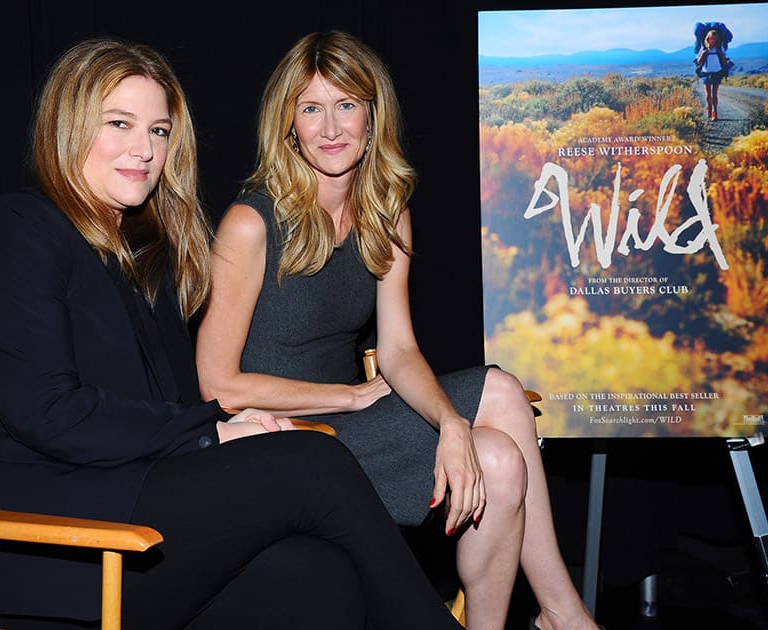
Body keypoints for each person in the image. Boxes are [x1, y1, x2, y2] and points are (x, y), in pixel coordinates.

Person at [0, 36, 466, 630]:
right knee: (309, 460)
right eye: (119, 123)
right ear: (68, 126)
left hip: (108, 512)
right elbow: (51, 414)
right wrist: (211, 436)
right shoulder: (14, 230)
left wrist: (228, 427)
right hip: (21, 551)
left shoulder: (132, 256)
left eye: (158, 131)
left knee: (316, 574)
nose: (144, 149)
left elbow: (156, 409)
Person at [196, 31, 603, 630]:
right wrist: (352, 396)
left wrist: (451, 425)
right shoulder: (250, 225)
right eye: (311, 108)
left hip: (350, 431)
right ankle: (564, 615)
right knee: (503, 392)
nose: (331, 127)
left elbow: (400, 349)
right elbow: (217, 386)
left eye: (346, 105)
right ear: (289, 124)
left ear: (371, 113)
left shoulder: (387, 212)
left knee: (498, 456)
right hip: (280, 441)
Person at [695, 27, 731, 121]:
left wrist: (720, 54)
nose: (713, 40)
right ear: (708, 38)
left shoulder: (719, 48)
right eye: (712, 38)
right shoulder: (703, 48)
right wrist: (703, 54)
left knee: (714, 94)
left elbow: (724, 61)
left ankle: (715, 112)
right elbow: (698, 62)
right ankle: (709, 110)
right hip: (706, 72)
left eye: (715, 39)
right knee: (708, 94)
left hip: (717, 72)